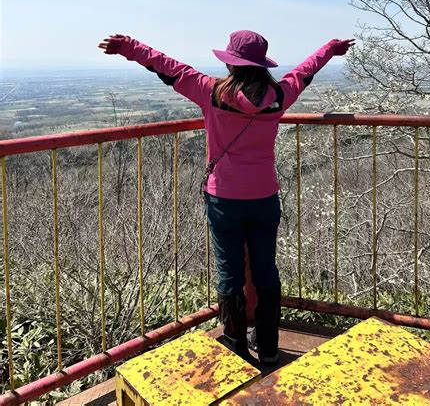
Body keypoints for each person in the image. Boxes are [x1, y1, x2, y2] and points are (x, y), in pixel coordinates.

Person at [98, 30, 354, 365]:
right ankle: (269, 347)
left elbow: (166, 66)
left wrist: (126, 47)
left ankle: (234, 345)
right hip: (264, 196)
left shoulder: (210, 91)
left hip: (224, 198)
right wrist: (330, 49)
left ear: (231, 62)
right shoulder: (279, 95)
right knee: (265, 270)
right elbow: (305, 71)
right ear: (262, 64)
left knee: (230, 272)